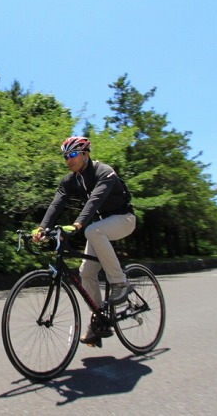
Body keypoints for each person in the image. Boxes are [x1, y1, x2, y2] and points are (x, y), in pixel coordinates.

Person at [32, 136, 136, 346]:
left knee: (92, 230)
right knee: (86, 272)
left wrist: (78, 224)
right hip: (99, 228)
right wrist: (42, 228)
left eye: (72, 155)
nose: (68, 160)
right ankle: (100, 320)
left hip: (124, 219)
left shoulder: (103, 171)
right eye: (65, 156)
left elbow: (95, 200)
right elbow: (56, 204)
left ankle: (120, 283)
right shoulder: (70, 180)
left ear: (85, 154)